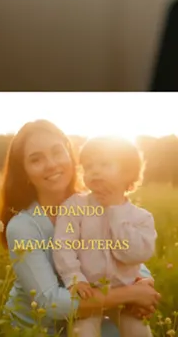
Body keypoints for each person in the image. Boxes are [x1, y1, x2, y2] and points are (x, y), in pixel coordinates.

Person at [0, 121, 160, 335]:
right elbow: (51, 302)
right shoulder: (23, 227)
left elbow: (123, 254)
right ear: (24, 172)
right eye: (36, 159)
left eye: (57, 152)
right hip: (39, 328)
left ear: (70, 155)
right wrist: (131, 294)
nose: (51, 164)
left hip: (93, 312)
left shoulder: (99, 201)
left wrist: (144, 282)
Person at [52, 136, 156, 337]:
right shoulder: (74, 206)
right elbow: (63, 245)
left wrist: (115, 211)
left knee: (139, 332)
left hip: (127, 296)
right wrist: (74, 278)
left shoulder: (141, 218)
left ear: (128, 173)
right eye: (88, 166)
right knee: (82, 332)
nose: (95, 171)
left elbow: (134, 255)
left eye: (105, 164)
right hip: (89, 292)